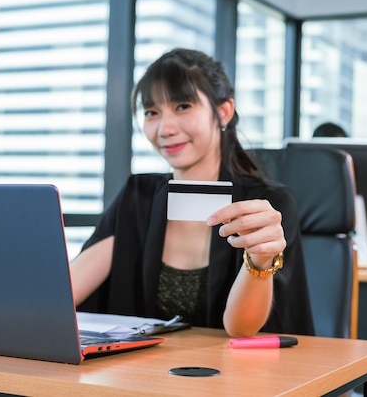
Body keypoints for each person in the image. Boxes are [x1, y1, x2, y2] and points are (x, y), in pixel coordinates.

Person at [70, 48, 314, 338]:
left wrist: (260, 261)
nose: (165, 128)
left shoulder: (265, 206)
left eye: (182, 106)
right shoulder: (139, 196)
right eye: (152, 112)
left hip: (231, 377)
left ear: (223, 112)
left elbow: (241, 328)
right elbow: (64, 294)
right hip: (142, 376)